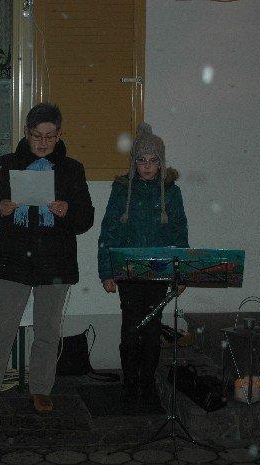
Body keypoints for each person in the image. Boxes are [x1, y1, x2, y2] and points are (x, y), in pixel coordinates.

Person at [0, 102, 94, 415]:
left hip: (55, 261)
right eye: (37, 136)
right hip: (14, 259)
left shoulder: (71, 169)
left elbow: (85, 219)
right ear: (26, 133)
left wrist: (66, 211)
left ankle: (41, 390)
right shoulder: (8, 164)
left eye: (50, 136)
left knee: (47, 332)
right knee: (1, 330)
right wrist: (1, 207)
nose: (43, 142)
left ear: (59, 134)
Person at [97, 122, 188, 408]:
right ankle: (130, 383)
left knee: (151, 330)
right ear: (133, 162)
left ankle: (147, 384)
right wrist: (106, 271)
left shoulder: (171, 193)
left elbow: (179, 233)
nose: (147, 167)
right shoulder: (122, 190)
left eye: (153, 161)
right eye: (141, 160)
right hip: (128, 271)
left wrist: (181, 273)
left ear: (161, 163)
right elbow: (109, 232)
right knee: (130, 329)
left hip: (159, 273)